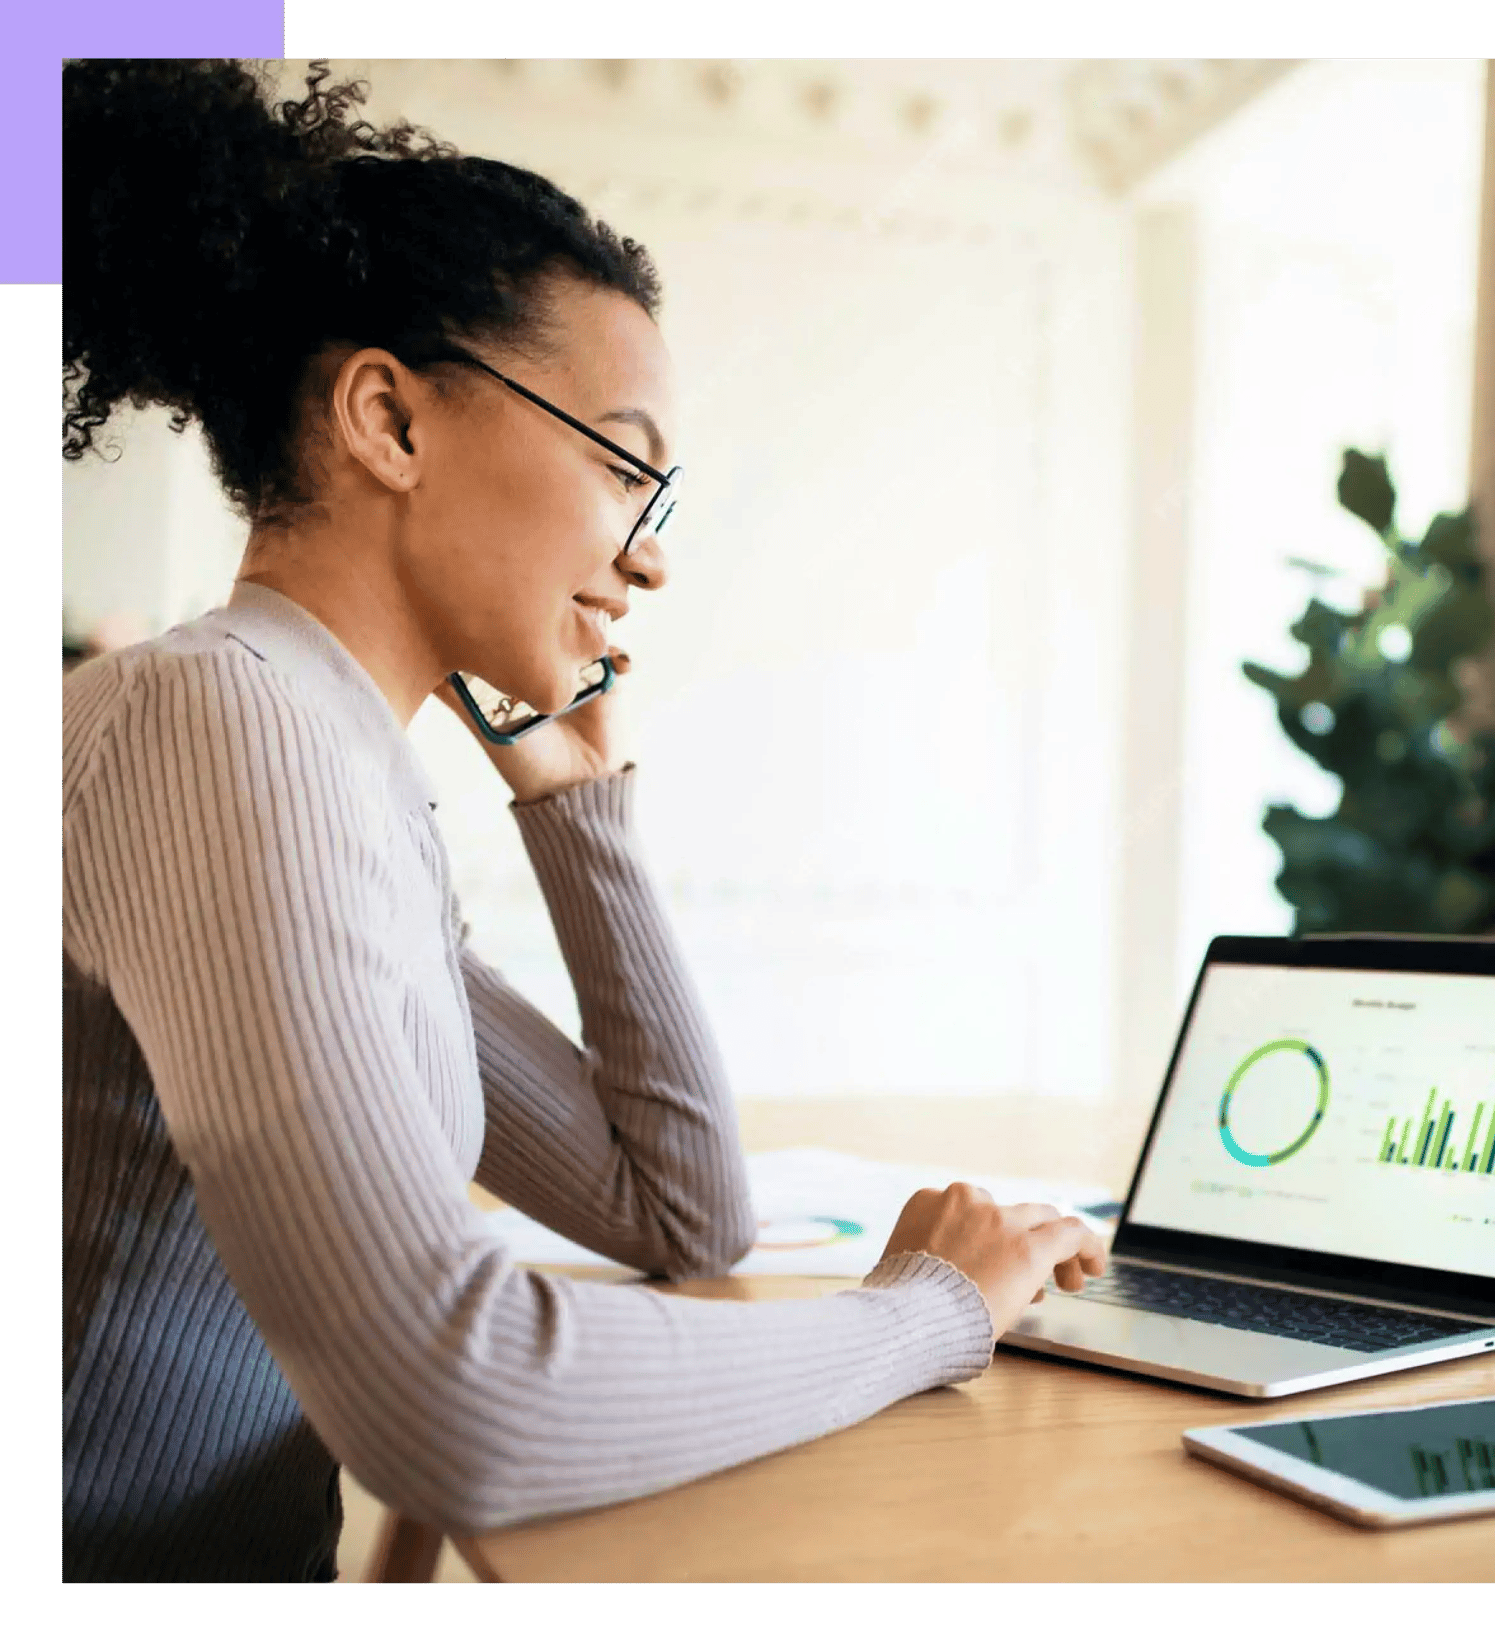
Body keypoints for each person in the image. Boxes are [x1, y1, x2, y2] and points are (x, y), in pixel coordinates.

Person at [60, 59, 1106, 1583]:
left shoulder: (320, 758)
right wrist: (929, 1313)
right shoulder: (218, 727)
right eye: (624, 465)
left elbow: (679, 1210)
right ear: (387, 420)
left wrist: (576, 807)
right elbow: (455, 1400)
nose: (650, 558)